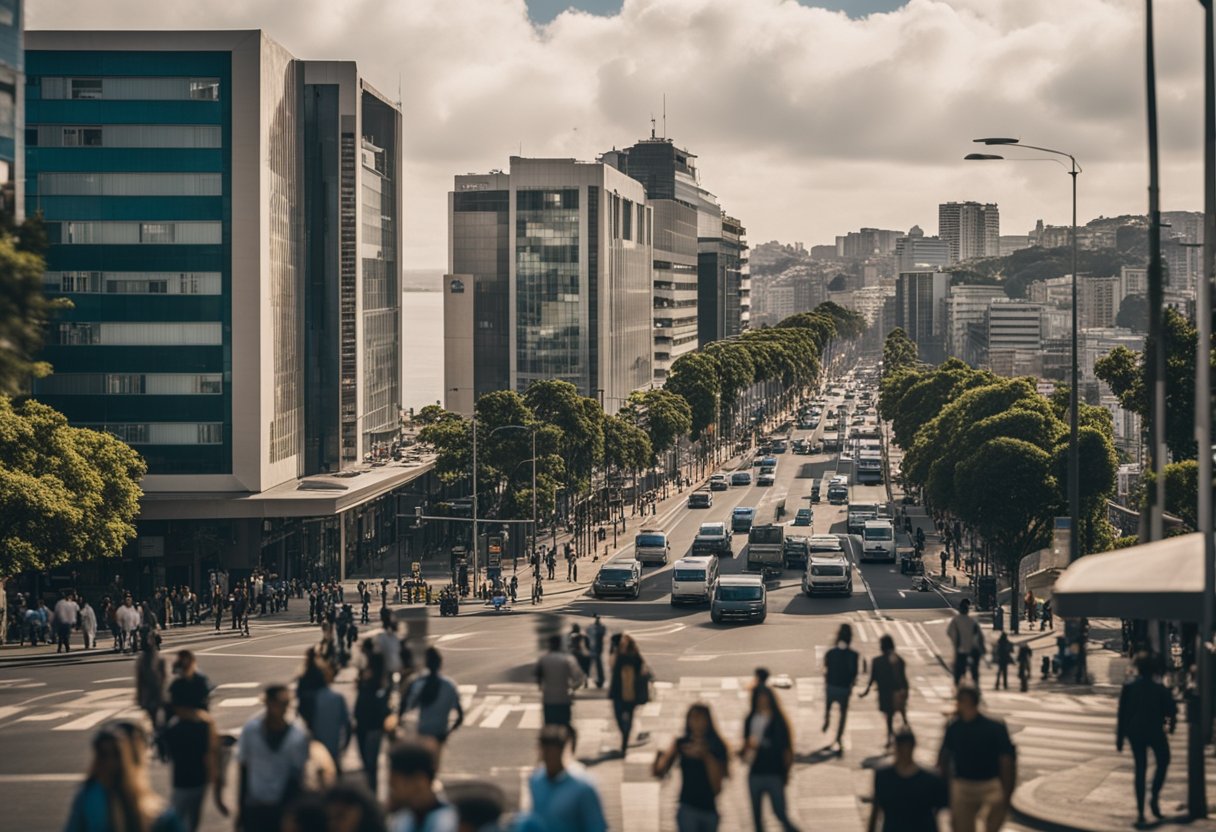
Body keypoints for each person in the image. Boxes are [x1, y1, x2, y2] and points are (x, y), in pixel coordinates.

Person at [64, 723, 184, 832]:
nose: (110, 764)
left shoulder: (88, 796)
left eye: (116, 755)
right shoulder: (160, 815)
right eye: (103, 755)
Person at [936, 686, 1016, 832]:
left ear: (967, 702)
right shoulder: (954, 727)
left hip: (989, 784)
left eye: (959, 701)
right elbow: (943, 758)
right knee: (963, 826)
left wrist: (1007, 791)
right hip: (964, 783)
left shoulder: (993, 728)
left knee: (992, 822)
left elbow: (1006, 761)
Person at [236, 684, 311, 832]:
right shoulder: (251, 731)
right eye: (278, 703)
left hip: (282, 806)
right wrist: (241, 808)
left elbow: (298, 777)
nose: (282, 708)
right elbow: (244, 768)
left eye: (285, 703)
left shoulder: (297, 736)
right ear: (268, 703)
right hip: (255, 805)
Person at [1117, 654, 1177, 825]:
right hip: (1155, 731)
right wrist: (1171, 726)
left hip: (1135, 732)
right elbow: (1171, 711)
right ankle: (1154, 797)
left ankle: (1141, 812)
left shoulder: (1130, 687)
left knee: (1140, 769)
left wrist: (1120, 738)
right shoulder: (1160, 689)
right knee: (1163, 760)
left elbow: (1122, 714)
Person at [161, 677, 228, 831]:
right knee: (191, 822)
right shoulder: (205, 723)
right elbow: (213, 757)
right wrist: (218, 795)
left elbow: (168, 751)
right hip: (200, 782)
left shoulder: (174, 726)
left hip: (183, 783)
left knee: (178, 820)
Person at [653, 704, 730, 832]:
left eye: (701, 719)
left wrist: (706, 756)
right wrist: (659, 755)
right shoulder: (681, 744)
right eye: (693, 718)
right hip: (687, 807)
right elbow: (660, 772)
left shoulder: (717, 746)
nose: (697, 723)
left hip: (709, 809)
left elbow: (717, 787)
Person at [740, 681, 798, 832]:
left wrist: (785, 773)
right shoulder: (750, 719)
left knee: (780, 814)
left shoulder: (778, 721)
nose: (761, 700)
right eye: (758, 697)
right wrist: (745, 750)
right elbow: (745, 747)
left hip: (774, 773)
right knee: (757, 820)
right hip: (755, 773)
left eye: (764, 697)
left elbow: (787, 750)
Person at [867, 729, 948, 832]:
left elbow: (875, 810)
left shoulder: (883, 776)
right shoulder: (929, 778)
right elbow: (938, 809)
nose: (905, 751)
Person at [530, 726, 608, 832]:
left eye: (551, 752)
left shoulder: (582, 786)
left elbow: (596, 826)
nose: (547, 757)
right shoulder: (536, 781)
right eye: (544, 751)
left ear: (561, 751)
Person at [403, 647, 464, 766]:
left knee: (422, 768)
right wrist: (448, 732)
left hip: (423, 733)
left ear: (426, 664)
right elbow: (460, 716)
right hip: (440, 734)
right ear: (440, 663)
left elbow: (405, 707)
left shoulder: (419, 684)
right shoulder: (449, 686)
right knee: (434, 766)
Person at [386, 740, 458, 832]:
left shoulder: (449, 824)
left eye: (395, 785)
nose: (392, 793)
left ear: (420, 782)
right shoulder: (401, 820)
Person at [301, 662, 352, 773]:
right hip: (333, 749)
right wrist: (344, 748)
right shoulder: (337, 699)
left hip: (316, 751)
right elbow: (348, 726)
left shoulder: (309, 699)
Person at [536, 634, 585, 747]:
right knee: (566, 725)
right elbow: (579, 678)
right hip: (564, 699)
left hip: (548, 700)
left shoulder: (543, 659)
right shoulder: (568, 659)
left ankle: (550, 753)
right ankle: (569, 749)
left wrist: (544, 688)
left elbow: (539, 680)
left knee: (549, 728)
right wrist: (572, 689)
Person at [860, 634, 909, 746]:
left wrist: (866, 691)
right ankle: (906, 732)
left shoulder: (876, 661)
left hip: (884, 693)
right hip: (897, 692)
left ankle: (889, 738)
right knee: (902, 713)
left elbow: (872, 679)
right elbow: (903, 678)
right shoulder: (898, 660)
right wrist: (906, 690)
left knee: (889, 717)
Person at [355, 652, 392, 792]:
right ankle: (371, 788)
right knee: (367, 762)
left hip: (372, 727)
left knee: (370, 763)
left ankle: (372, 790)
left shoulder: (380, 684)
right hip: (364, 725)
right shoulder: (368, 680)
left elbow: (383, 706)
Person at [608, 634, 648, 756]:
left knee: (620, 717)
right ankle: (625, 738)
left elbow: (611, 665)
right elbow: (644, 671)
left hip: (619, 694)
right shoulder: (636, 657)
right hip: (632, 694)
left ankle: (624, 738)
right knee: (628, 719)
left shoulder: (619, 657)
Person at [822, 624, 859, 751]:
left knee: (828, 706)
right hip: (844, 687)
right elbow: (854, 673)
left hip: (831, 685)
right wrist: (852, 684)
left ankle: (826, 719)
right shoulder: (854, 655)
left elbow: (826, 669)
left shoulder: (831, 653)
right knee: (843, 714)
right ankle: (838, 737)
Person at [946, 599, 984, 687]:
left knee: (959, 670)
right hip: (973, 649)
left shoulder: (956, 620)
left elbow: (949, 632)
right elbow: (979, 636)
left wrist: (955, 642)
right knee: (974, 671)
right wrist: (981, 647)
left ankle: (958, 686)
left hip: (961, 649)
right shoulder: (972, 621)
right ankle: (976, 686)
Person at [135, 636, 167, 729]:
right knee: (154, 717)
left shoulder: (158, 659)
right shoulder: (143, 660)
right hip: (150, 692)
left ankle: (157, 730)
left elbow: (164, 677)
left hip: (156, 692)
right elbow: (140, 679)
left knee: (157, 717)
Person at [588, 615, 607, 688]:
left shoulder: (592, 628)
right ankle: (598, 679)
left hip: (595, 649)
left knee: (596, 664)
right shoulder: (601, 628)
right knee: (597, 664)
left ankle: (597, 679)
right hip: (597, 648)